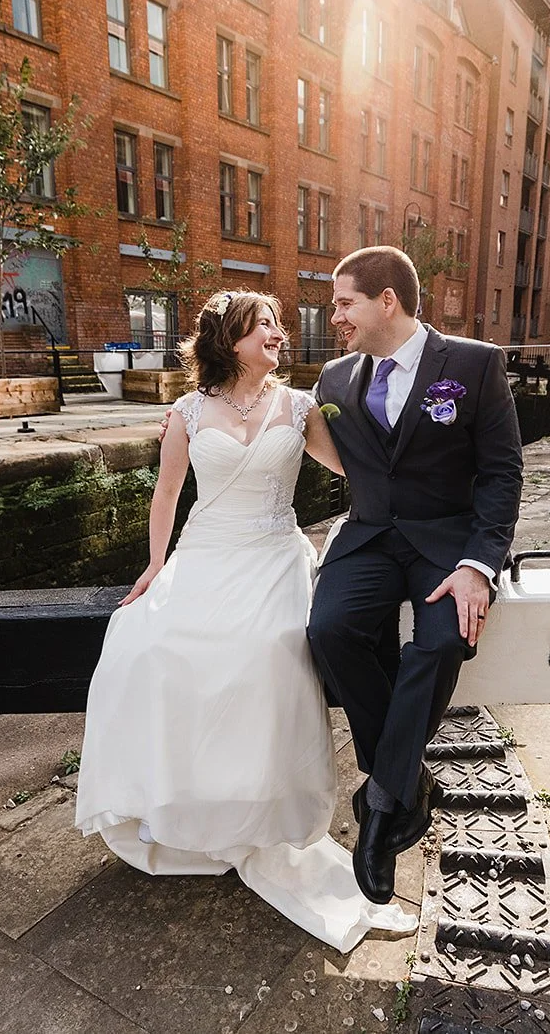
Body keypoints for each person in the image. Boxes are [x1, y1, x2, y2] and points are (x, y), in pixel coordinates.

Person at [74, 289, 417, 953]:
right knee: (146, 646)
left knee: (269, 655)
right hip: (205, 554)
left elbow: (356, 472)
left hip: (272, 557)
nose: (278, 332)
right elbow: (169, 491)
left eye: (278, 324)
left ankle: (265, 814)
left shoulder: (298, 406)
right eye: (263, 324)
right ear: (230, 338)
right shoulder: (186, 411)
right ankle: (194, 806)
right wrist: (153, 566)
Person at [306, 246, 524, 904]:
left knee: (438, 642)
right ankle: (407, 781)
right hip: (369, 535)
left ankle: (380, 802)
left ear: (386, 300)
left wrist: (478, 567)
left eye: (344, 302)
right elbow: (346, 455)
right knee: (330, 629)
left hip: (444, 544)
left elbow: (502, 471)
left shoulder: (475, 365)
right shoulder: (336, 378)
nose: (335, 314)